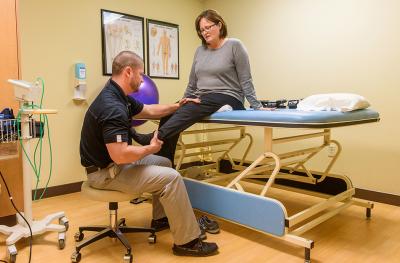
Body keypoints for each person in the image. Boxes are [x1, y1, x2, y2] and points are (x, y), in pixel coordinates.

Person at [79, 50, 218, 256]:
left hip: (113, 165)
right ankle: (187, 242)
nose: (143, 79)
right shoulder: (113, 106)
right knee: (171, 178)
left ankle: (161, 218)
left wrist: (178, 105)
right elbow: (121, 155)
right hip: (104, 174)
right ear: (128, 72)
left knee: (163, 163)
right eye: (141, 74)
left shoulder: (118, 94)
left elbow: (149, 110)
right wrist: (149, 148)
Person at [132, 9, 267, 164]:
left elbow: (246, 79)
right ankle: (165, 162)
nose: (205, 32)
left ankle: (155, 137)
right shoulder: (200, 51)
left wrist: (256, 105)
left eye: (208, 27)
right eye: (201, 30)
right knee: (172, 110)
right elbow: (192, 83)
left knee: (198, 101)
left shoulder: (234, 45)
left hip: (230, 97)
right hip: (203, 97)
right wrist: (181, 103)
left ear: (219, 25)